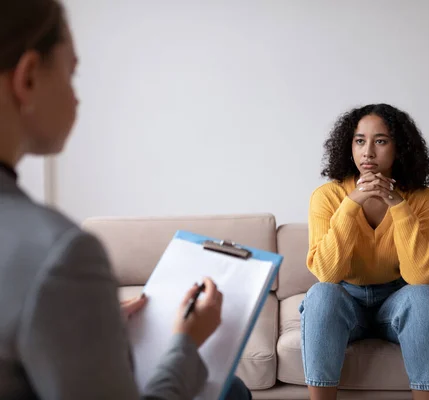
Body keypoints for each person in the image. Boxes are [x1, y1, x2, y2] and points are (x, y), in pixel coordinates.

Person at [0, 1, 251, 399]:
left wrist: (88, 324)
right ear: (28, 78)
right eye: (72, 72)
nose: (77, 98)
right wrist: (187, 341)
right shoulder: (60, 253)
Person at [300, 104, 429, 400]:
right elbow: (326, 274)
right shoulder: (327, 197)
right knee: (321, 294)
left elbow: (420, 276)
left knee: (424, 297)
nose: (368, 152)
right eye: (360, 141)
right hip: (347, 302)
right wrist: (351, 203)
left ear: (400, 147)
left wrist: (398, 206)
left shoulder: (422, 199)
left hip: (396, 300)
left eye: (380, 141)